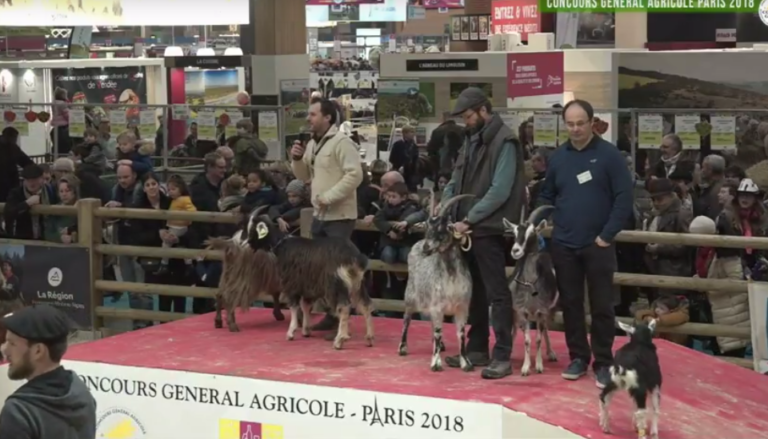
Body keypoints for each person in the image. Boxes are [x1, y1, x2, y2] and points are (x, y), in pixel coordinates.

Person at [537, 99, 633, 388]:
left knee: (603, 305)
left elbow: (624, 199)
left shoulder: (610, 155)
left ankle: (603, 361)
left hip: (598, 244)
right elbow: (546, 194)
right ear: (564, 124)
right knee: (571, 303)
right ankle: (578, 356)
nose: (576, 129)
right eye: (570, 123)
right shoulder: (558, 158)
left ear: (592, 122)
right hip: (564, 244)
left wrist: (607, 235)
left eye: (581, 123)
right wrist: (543, 217)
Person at [441, 87, 526, 379]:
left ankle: (502, 354)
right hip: (468, 228)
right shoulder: (472, 140)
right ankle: (477, 348)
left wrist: (468, 219)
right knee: (474, 290)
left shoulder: (506, 141)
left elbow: (500, 191)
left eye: (468, 116)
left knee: (496, 292)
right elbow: (456, 177)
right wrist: (445, 206)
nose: (466, 122)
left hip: (487, 229)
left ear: (483, 109)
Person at [290, 98, 363, 334]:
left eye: (313, 114)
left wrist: (329, 196)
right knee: (322, 269)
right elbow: (303, 175)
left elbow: (355, 175)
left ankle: (340, 317)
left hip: (339, 215)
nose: (308, 118)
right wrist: (297, 158)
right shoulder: (312, 143)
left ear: (328, 118)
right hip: (320, 214)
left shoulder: (342, 142)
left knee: (337, 269)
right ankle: (333, 313)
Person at [0, 305, 96, 439]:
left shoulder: (18, 412)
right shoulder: (81, 392)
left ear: (38, 351)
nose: (4, 349)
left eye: (12, 343)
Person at [188, 153, 227, 314]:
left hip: (221, 239)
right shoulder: (197, 189)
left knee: (220, 279)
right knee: (203, 280)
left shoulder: (225, 184)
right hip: (202, 239)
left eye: (225, 167)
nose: (224, 170)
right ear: (210, 167)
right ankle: (200, 313)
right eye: (220, 167)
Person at [373, 182, 423, 265]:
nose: (390, 199)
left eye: (394, 197)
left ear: (403, 197)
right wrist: (389, 230)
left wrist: (397, 229)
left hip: (405, 242)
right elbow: (377, 219)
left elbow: (404, 220)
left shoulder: (411, 207)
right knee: (388, 255)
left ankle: (401, 276)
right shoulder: (386, 207)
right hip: (388, 241)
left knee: (406, 256)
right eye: (389, 196)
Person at [156, 175, 196, 276]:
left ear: (181, 188)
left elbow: (192, 210)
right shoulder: (174, 200)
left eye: (173, 189)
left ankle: (164, 263)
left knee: (166, 243)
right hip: (174, 225)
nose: (170, 192)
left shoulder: (184, 199)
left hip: (178, 226)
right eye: (169, 190)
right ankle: (188, 263)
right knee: (182, 246)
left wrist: (187, 217)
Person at [4, 165, 55, 241]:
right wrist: (27, 203)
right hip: (23, 238)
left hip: (46, 237)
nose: (31, 183)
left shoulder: (50, 191)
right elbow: (8, 212)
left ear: (41, 178)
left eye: (34, 179)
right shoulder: (16, 193)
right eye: (28, 180)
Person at [0, 127, 34, 203]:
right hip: (9, 181)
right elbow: (25, 161)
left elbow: (25, 161)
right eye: (15, 138)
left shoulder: (13, 147)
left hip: (11, 181)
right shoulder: (12, 147)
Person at [44, 175, 80, 244]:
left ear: (75, 191)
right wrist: (59, 238)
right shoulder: (55, 210)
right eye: (61, 191)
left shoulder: (83, 208)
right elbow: (47, 233)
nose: (64, 194)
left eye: (67, 191)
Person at [694, 154, 726, 220]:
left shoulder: (717, 191)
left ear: (710, 170)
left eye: (703, 167)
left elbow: (713, 213)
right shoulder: (714, 185)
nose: (702, 171)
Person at [389, 126, 420, 192]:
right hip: (399, 172)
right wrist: (399, 166)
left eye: (414, 132)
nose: (413, 134)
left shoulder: (414, 146)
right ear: (405, 133)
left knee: (412, 190)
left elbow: (416, 159)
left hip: (411, 173)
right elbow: (392, 158)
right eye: (411, 132)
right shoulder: (397, 145)